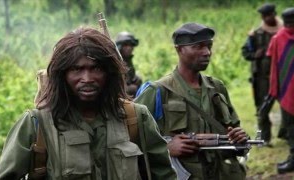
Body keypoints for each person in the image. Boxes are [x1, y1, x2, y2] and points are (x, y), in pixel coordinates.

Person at [0, 27, 177, 180]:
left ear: (109, 73)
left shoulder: (135, 118)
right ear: (62, 76)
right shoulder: (37, 124)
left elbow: (164, 174)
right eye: (76, 69)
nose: (87, 78)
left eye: (96, 68)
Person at [135, 22, 248, 180]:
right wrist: (166, 147)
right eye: (199, 47)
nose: (207, 52)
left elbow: (234, 130)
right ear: (179, 49)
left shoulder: (216, 88)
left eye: (209, 46)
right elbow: (130, 139)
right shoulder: (157, 91)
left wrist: (239, 138)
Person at [241, 3, 283, 146]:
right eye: (264, 16)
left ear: (274, 14)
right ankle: (265, 139)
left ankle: (289, 137)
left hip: (283, 77)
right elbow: (245, 52)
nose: (266, 18)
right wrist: (255, 55)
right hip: (263, 79)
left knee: (289, 108)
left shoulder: (284, 31)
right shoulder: (256, 34)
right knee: (263, 109)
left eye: (269, 15)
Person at [265, 7, 294, 174]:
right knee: (290, 126)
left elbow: (274, 67)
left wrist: (274, 89)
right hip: (287, 91)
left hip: (286, 91)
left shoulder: (278, 37)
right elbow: (275, 65)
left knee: (291, 126)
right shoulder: (278, 38)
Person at [115, 31, 142, 97]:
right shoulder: (115, 61)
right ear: (120, 47)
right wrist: (130, 89)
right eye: (126, 45)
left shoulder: (128, 60)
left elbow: (130, 76)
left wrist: (136, 79)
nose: (129, 48)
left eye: (131, 45)